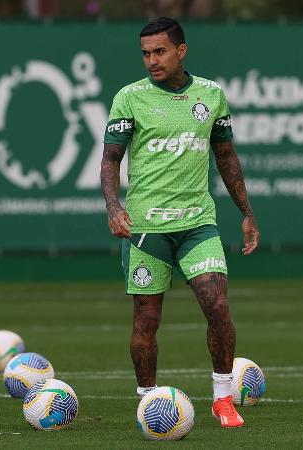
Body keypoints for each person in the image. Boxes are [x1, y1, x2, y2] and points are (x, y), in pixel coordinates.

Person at [100, 17, 260, 428]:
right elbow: (110, 160)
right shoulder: (129, 98)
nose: (152, 60)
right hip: (146, 229)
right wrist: (114, 206)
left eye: (160, 52)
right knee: (146, 322)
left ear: (181, 51)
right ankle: (148, 401)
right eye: (146, 54)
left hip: (197, 224)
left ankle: (223, 399)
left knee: (218, 306)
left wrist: (246, 212)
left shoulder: (210, 96)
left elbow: (226, 157)